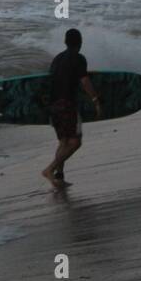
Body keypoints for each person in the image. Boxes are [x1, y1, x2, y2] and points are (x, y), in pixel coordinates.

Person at [42, 28, 100, 189]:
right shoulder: (79, 58)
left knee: (64, 142)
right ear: (80, 42)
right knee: (75, 142)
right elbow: (85, 81)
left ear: (65, 42)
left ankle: (59, 177)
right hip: (67, 105)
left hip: (54, 106)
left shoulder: (57, 59)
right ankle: (50, 169)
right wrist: (95, 100)